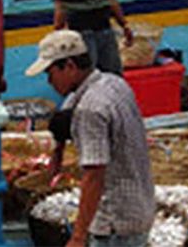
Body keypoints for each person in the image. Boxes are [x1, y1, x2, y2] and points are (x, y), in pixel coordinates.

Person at [26, 30, 155, 247]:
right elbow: (66, 113)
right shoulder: (112, 82)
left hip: (115, 222)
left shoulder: (90, 110)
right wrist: (58, 150)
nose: (49, 81)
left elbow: (94, 175)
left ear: (69, 66)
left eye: (50, 73)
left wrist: (78, 237)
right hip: (140, 207)